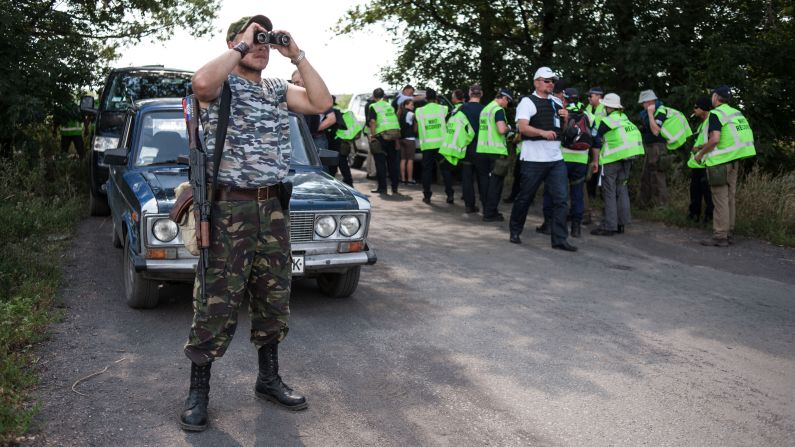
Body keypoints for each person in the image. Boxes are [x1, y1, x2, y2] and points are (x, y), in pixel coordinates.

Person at [181, 14, 331, 432]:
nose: (262, 45)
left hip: (274, 209)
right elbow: (200, 85)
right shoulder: (221, 84)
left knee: (273, 296)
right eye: (255, 37)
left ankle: (268, 379)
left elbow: (321, 103)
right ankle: (199, 392)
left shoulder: (277, 89)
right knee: (216, 301)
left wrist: (295, 54)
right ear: (235, 42)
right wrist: (243, 45)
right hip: (229, 210)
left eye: (266, 39)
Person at [507, 67, 577, 251]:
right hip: (533, 159)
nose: (551, 84)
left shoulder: (556, 101)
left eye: (552, 80)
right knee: (525, 197)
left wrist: (566, 117)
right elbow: (522, 128)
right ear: (536, 82)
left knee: (561, 200)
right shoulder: (527, 102)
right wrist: (542, 133)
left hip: (555, 158)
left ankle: (560, 239)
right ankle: (515, 231)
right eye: (547, 81)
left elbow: (561, 128)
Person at [694, 85, 756, 247]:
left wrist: (700, 155)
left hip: (719, 164)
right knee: (730, 199)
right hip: (734, 161)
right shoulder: (736, 113)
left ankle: (720, 236)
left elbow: (715, 139)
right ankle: (728, 232)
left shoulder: (716, 114)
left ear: (715, 97)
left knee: (720, 200)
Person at [589, 93, 645, 236]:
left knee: (609, 192)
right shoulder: (625, 120)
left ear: (607, 106)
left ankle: (609, 226)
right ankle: (621, 224)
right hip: (630, 157)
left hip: (613, 159)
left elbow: (596, 138)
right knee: (622, 189)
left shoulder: (608, 121)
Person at [538, 87, 589, 238]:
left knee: (552, 191)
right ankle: (576, 228)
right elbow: (595, 139)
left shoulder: (560, 112)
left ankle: (548, 224)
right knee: (577, 193)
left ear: (564, 99)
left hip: (561, 159)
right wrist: (595, 160)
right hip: (581, 159)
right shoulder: (589, 114)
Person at [477, 88, 512, 221]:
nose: (507, 105)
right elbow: (501, 129)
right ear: (504, 98)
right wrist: (510, 128)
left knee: (485, 183)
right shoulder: (498, 110)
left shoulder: (485, 109)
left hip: (482, 150)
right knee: (495, 184)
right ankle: (490, 214)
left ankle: (487, 209)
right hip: (494, 152)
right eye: (508, 102)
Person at [415, 88, 452, 204]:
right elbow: (452, 110)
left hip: (427, 146)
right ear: (436, 98)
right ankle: (450, 194)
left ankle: (427, 196)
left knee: (427, 171)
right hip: (441, 145)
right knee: (445, 170)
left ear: (426, 99)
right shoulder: (443, 109)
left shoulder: (419, 111)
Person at [637, 89, 671, 207]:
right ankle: (644, 204)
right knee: (646, 176)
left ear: (650, 101)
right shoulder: (647, 112)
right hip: (650, 147)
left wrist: (651, 113)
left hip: (657, 147)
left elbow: (656, 130)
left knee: (657, 176)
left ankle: (662, 205)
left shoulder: (660, 111)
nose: (642, 106)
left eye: (643, 103)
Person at [368, 88, 401, 194]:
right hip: (393, 136)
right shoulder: (389, 105)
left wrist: (373, 136)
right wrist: (397, 140)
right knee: (392, 163)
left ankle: (382, 188)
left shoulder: (373, 106)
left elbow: (373, 122)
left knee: (380, 163)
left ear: (374, 96)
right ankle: (394, 188)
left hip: (381, 136)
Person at [686, 96, 714, 223]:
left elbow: (714, 140)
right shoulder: (703, 123)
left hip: (706, 163)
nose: (694, 109)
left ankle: (709, 218)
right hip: (698, 164)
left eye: (696, 107)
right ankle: (694, 215)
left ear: (703, 108)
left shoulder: (711, 121)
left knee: (708, 194)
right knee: (695, 192)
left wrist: (698, 148)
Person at [460, 84, 485, 213]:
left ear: (469, 94)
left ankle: (469, 205)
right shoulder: (486, 109)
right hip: (482, 147)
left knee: (467, 177)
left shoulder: (462, 109)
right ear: (481, 94)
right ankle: (486, 204)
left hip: (466, 147)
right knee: (483, 176)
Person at [328, 96, 358, 186]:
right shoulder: (340, 112)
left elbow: (336, 127)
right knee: (341, 163)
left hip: (337, 142)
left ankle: (346, 182)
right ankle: (348, 181)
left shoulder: (334, 113)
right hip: (343, 142)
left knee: (339, 163)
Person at [397, 98, 417, 184]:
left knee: (403, 159)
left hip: (402, 139)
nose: (413, 106)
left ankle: (402, 178)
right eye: (411, 104)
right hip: (410, 139)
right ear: (406, 105)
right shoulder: (411, 114)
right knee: (410, 160)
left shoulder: (400, 114)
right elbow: (416, 124)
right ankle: (409, 179)